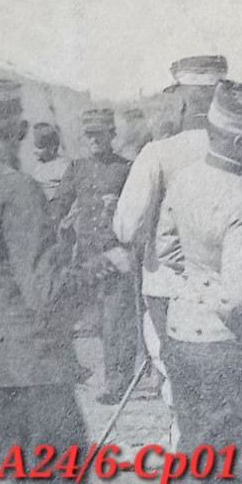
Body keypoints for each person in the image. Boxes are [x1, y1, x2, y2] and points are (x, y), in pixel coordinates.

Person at [0, 79, 130, 484]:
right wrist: (108, 266)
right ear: (19, 130)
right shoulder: (18, 189)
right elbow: (48, 292)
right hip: (33, 375)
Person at [155, 81, 242, 484]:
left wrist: (200, 282)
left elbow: (166, 249)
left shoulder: (185, 178)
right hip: (226, 343)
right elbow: (240, 297)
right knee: (229, 466)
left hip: (182, 332)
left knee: (194, 451)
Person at [112, 54, 228, 404]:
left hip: (168, 286)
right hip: (231, 283)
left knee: (180, 384)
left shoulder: (159, 152)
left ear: (179, 99)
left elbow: (126, 228)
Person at [51, 108, 139, 404]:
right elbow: (59, 204)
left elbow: (139, 210)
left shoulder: (127, 169)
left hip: (115, 256)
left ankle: (117, 383)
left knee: (115, 322)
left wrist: (119, 206)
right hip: (84, 258)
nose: (95, 140)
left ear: (111, 136)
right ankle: (69, 370)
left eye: (100, 134)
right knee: (63, 314)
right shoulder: (76, 168)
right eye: (90, 135)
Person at [27, 122, 71, 202]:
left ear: (52, 147)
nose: (35, 151)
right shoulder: (38, 166)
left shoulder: (63, 166)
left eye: (40, 147)